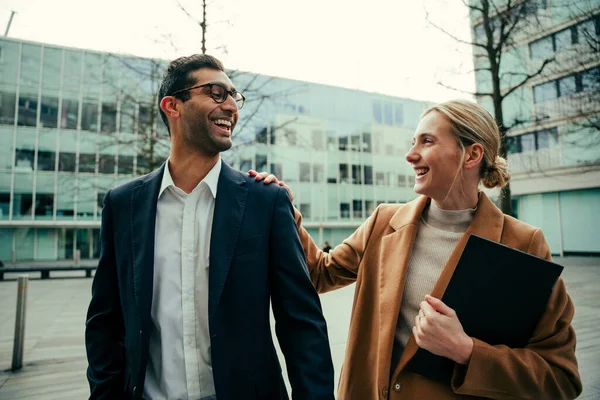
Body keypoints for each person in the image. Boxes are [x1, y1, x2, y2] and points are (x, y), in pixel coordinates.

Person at [249, 100, 582, 399]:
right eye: (413, 142)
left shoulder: (523, 243)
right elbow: (320, 274)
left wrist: (467, 351)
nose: (410, 155)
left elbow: (560, 377)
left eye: (427, 141)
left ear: (472, 154)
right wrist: (285, 211)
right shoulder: (384, 221)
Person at [85, 54, 335, 400]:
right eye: (217, 92)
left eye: (234, 96)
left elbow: (302, 325)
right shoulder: (122, 204)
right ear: (173, 106)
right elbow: (105, 322)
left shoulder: (267, 202)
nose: (231, 105)